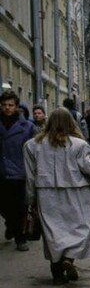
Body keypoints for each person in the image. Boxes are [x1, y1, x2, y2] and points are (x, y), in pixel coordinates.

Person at [23, 107, 90, 283]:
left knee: (53, 232)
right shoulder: (79, 145)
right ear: (71, 123)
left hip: (45, 193)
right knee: (80, 226)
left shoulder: (32, 145)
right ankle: (69, 258)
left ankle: (57, 274)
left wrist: (30, 200)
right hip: (77, 191)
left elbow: (30, 176)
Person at [1, 90, 38, 251]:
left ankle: (20, 238)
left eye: (10, 105)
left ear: (17, 107)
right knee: (4, 206)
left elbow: (36, 150)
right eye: (4, 105)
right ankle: (10, 224)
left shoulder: (28, 127)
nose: (7, 108)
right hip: (1, 173)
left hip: (20, 173)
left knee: (21, 207)